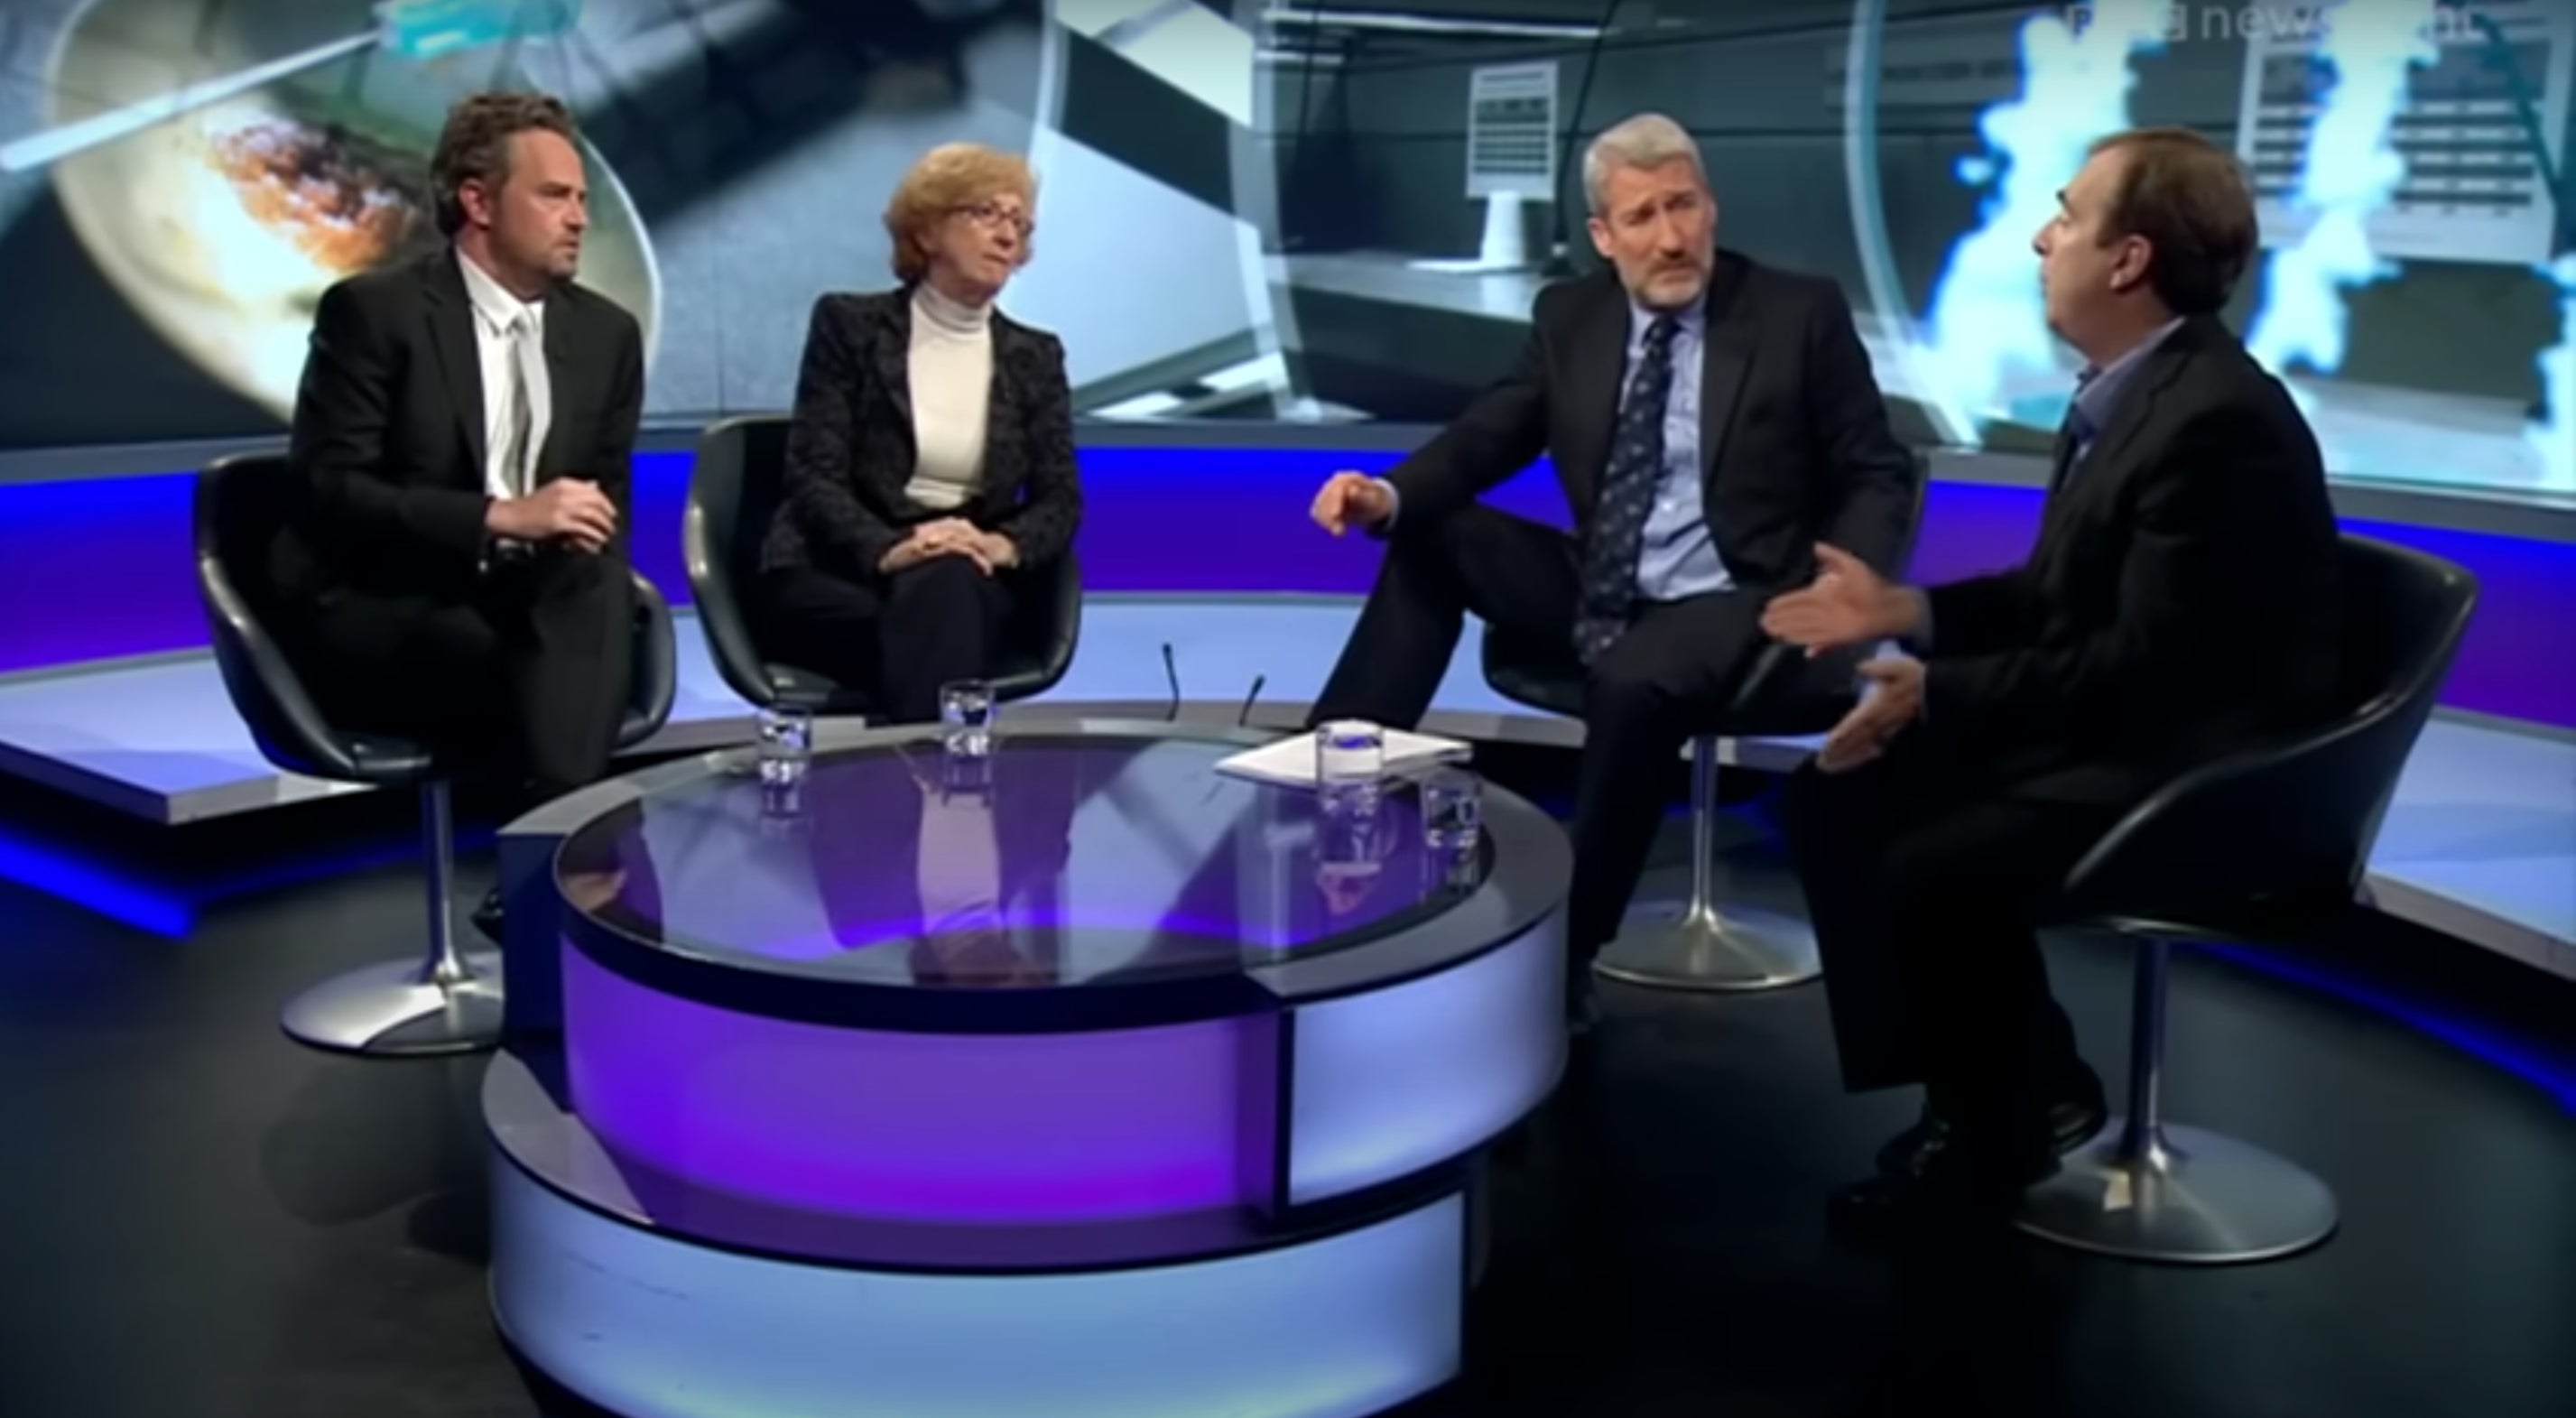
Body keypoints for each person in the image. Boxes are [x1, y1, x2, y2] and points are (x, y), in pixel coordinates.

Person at [1759, 126, 2344, 1234]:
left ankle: (1989, 1128)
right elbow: (2059, 594)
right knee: (1835, 793)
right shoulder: (2138, 388)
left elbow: (2143, 665)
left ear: (2126, 259)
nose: (2041, 235)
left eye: (2067, 215)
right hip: (2133, 719)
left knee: (1929, 856)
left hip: (2211, 771)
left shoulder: (2213, 420)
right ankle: (2016, 1087)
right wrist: (1911, 615)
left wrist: (1938, 693)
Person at [1302, 113, 1919, 1014]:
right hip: (1605, 583)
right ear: (1602, 235)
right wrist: (1383, 494)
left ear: (1710, 206)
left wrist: (1848, 582)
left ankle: (1563, 956)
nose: (1669, 237)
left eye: (1684, 206)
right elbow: (1491, 432)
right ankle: (1326, 798)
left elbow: (1876, 466)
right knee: (1432, 530)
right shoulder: (1571, 314)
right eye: (1641, 217)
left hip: (1742, 594)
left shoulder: (1797, 313)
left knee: (1633, 678)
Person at [273, 90, 647, 940]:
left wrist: (565, 542)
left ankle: (544, 887)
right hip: (386, 605)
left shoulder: (605, 335)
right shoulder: (378, 313)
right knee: (560, 658)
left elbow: (605, 505)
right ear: (477, 202)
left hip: (535, 605)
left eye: (583, 198)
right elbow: (328, 495)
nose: (580, 218)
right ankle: (568, 876)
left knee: (592, 589)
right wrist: (497, 516)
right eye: (556, 196)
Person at [758, 142, 1081, 723]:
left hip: (970, 570)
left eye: (1019, 222)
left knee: (944, 592)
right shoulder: (848, 326)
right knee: (938, 619)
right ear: (928, 230)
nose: (1008, 235)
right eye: (986, 213)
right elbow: (813, 475)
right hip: (843, 572)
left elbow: (1061, 500)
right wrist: (891, 549)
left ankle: (908, 796)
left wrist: (998, 546)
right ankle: (943, 787)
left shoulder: (1036, 356)